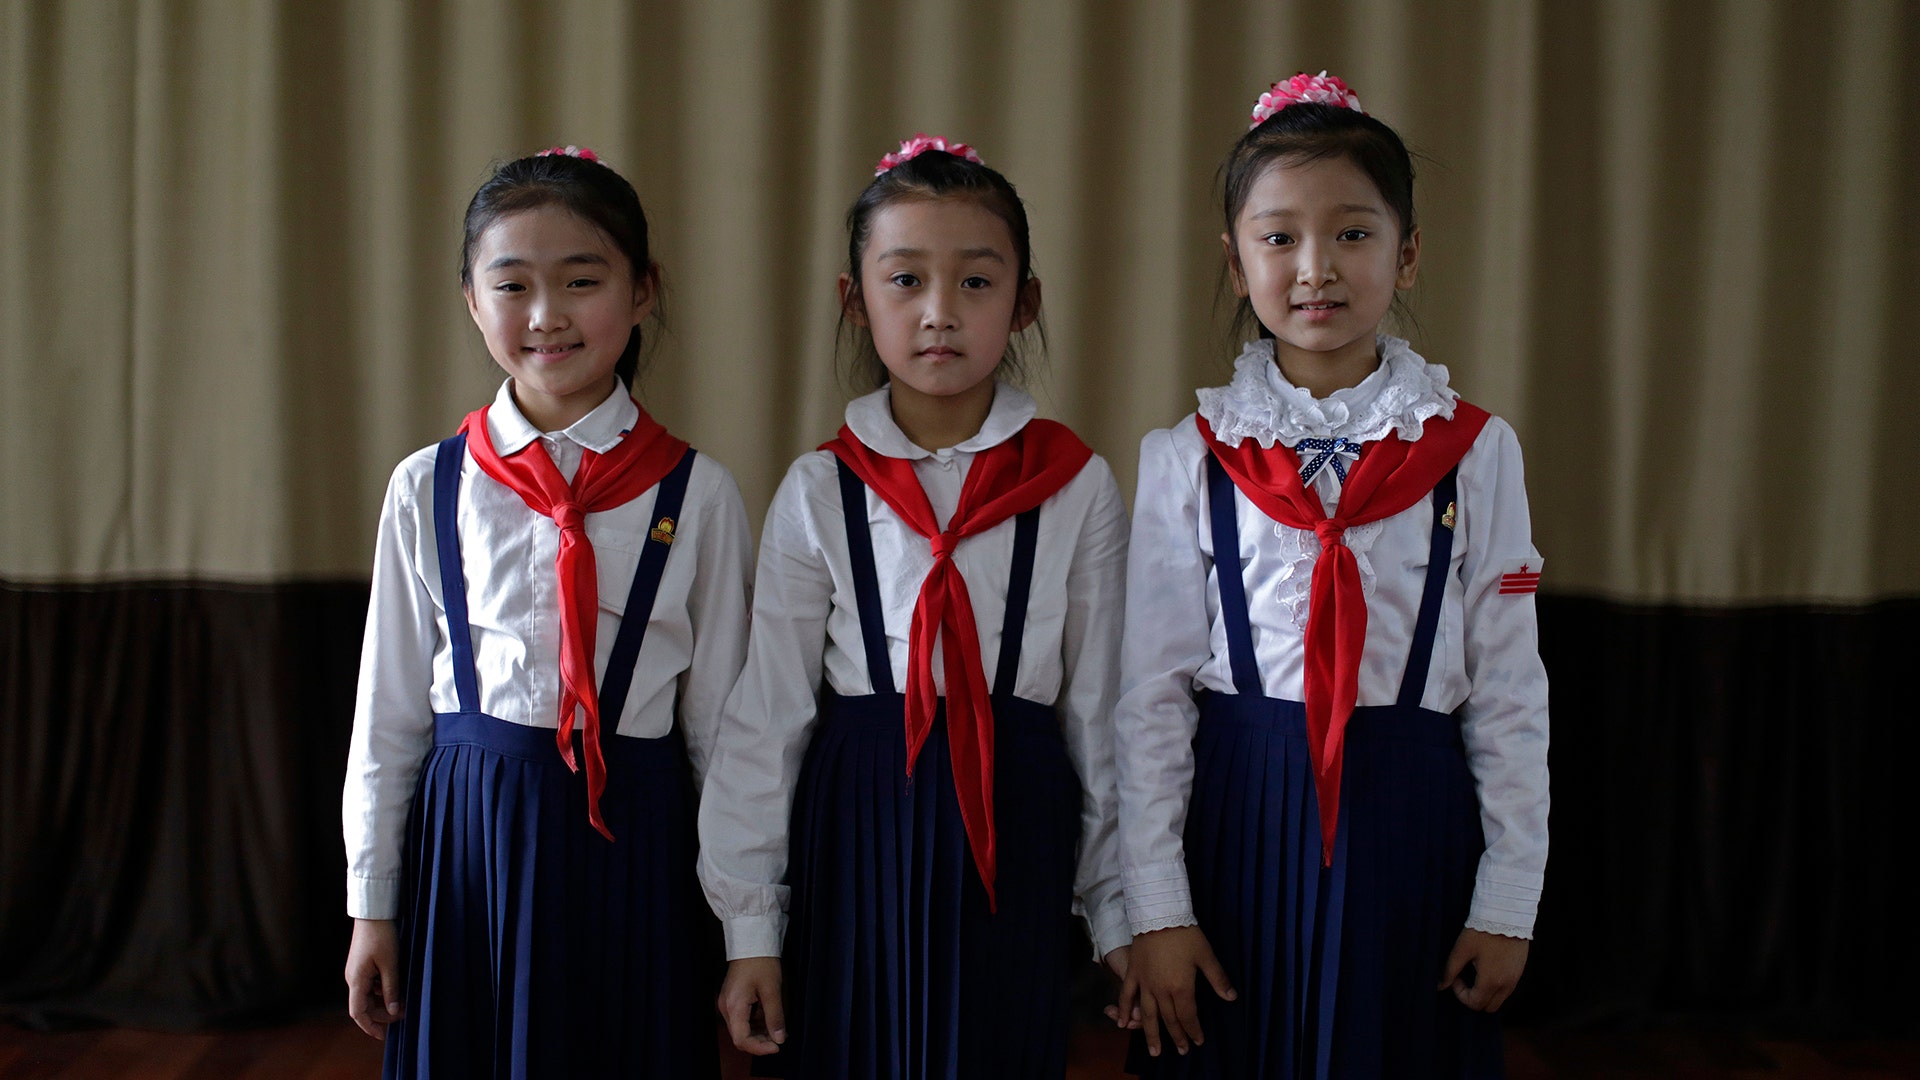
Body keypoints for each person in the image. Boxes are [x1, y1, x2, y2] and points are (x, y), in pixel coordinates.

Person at [1114, 73, 1550, 1078]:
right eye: (1279, 239)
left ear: (1407, 256)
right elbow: (1149, 701)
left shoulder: (1479, 451)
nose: (1316, 268)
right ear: (1234, 264)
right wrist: (1158, 908)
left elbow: (1511, 687)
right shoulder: (1189, 456)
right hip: (1238, 814)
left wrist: (1508, 899)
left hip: (1413, 823)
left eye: (1353, 234)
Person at [699, 134, 1133, 1079]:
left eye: (976, 283)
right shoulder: (820, 489)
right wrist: (750, 928)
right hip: (859, 811)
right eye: (905, 281)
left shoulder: (1078, 484)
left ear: (1026, 303)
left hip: (1014, 813)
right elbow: (766, 713)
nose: (940, 313)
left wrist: (1119, 909)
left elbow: (1100, 709)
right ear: (857, 300)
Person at [340, 146, 751, 1077]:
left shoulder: (699, 492)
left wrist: (746, 926)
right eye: (512, 284)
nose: (546, 315)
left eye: (581, 280)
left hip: (637, 841)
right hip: (468, 844)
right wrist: (374, 903)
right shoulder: (429, 487)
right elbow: (389, 717)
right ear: (471, 301)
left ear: (644, 292)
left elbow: (725, 732)